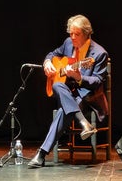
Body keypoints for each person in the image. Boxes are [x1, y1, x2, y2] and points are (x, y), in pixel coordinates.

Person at [28, 14, 109, 168]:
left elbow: (97, 81)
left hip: (87, 96)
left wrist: (79, 78)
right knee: (57, 85)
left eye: (76, 34)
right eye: (70, 33)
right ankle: (84, 123)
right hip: (69, 93)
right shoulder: (67, 43)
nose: (72, 37)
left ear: (86, 34)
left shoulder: (99, 53)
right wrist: (46, 62)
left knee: (63, 111)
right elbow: (52, 54)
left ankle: (41, 154)